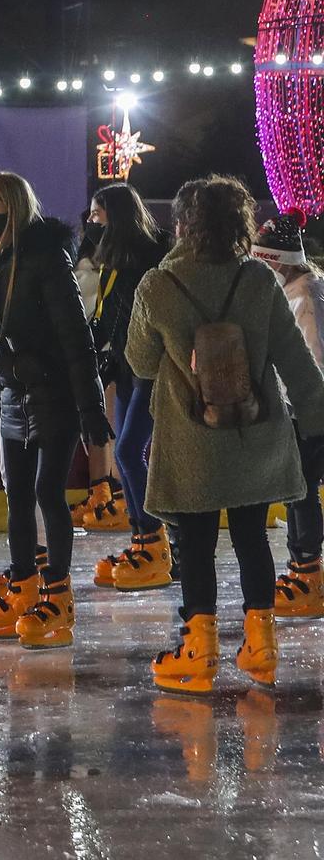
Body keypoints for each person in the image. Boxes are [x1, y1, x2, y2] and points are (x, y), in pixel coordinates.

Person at [128, 176, 324, 692]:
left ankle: (198, 651)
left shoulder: (157, 285)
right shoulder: (259, 280)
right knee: (251, 537)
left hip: (191, 440)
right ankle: (261, 646)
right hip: (255, 437)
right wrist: (317, 427)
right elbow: (297, 362)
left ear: (182, 224)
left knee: (194, 543)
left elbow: (141, 361)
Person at [0, 172, 110, 648]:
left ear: (15, 206)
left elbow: (77, 337)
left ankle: (57, 595)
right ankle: (23, 586)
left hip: (54, 395)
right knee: (17, 497)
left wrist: (91, 407)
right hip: (13, 395)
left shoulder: (45, 258)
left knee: (48, 492)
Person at [86, 183, 171, 592]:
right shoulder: (112, 260)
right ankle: (141, 539)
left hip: (150, 370)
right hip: (124, 367)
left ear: (115, 217)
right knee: (126, 453)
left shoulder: (148, 256)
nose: (90, 222)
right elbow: (106, 316)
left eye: (96, 214)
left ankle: (155, 542)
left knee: (127, 451)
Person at [250, 213, 324, 620]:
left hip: (306, 411)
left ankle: (307, 571)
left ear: (279, 261)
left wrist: (295, 406)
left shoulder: (304, 298)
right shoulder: (304, 288)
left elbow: (312, 361)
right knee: (299, 490)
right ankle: (304, 567)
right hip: (303, 409)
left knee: (301, 490)